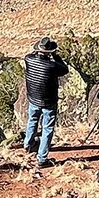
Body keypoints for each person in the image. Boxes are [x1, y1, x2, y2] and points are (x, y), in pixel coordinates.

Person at [22, 36, 69, 168]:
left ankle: (28, 144)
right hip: (49, 101)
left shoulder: (28, 59)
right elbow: (64, 69)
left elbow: (31, 54)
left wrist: (44, 52)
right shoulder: (52, 66)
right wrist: (55, 55)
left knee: (32, 120)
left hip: (33, 98)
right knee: (47, 128)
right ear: (49, 52)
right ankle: (42, 159)